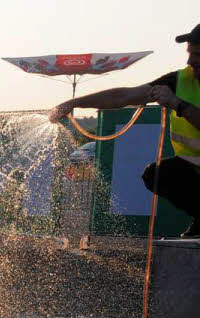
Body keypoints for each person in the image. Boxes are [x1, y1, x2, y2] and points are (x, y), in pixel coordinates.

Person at [49, 24, 200, 237]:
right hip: (194, 170)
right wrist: (74, 103)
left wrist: (177, 104)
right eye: (190, 54)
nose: (190, 61)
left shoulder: (178, 94)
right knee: (157, 174)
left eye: (197, 55)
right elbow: (123, 96)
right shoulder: (180, 80)